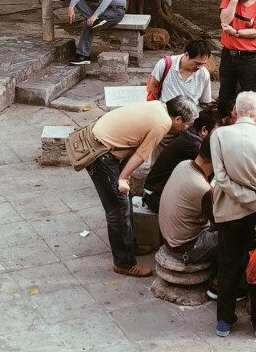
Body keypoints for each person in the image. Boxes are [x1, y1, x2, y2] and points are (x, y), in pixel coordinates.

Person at [85, 96, 199, 277]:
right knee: (118, 207)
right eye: (188, 124)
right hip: (100, 152)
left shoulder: (159, 106)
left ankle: (129, 245)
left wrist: (125, 176)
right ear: (177, 119)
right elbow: (141, 155)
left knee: (125, 199)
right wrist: (123, 177)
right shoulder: (162, 124)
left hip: (104, 142)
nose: (188, 129)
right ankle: (124, 263)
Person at [210, 90, 256, 339]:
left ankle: (224, 321)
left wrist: (246, 199)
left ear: (236, 111)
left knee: (227, 266)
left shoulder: (218, 136)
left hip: (228, 214)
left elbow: (220, 179)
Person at [158, 135, 218, 285]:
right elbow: (221, 220)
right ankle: (220, 284)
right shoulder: (202, 188)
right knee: (236, 236)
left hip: (169, 237)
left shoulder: (184, 164)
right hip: (186, 248)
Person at [142, 111, 218, 212]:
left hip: (155, 194)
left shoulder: (189, 135)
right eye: (216, 133)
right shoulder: (194, 145)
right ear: (204, 130)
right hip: (156, 198)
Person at [217, 0, 256, 119]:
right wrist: (234, 0)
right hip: (228, 54)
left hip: (248, 58)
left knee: (251, 96)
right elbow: (225, 19)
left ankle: (254, 124)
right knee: (224, 93)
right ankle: (220, 122)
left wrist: (236, 32)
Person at [146, 39, 213, 106]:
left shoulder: (204, 74)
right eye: (197, 63)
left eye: (203, 64)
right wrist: (160, 104)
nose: (199, 67)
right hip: (166, 111)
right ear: (186, 55)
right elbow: (152, 85)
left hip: (190, 114)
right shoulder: (165, 64)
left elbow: (205, 100)